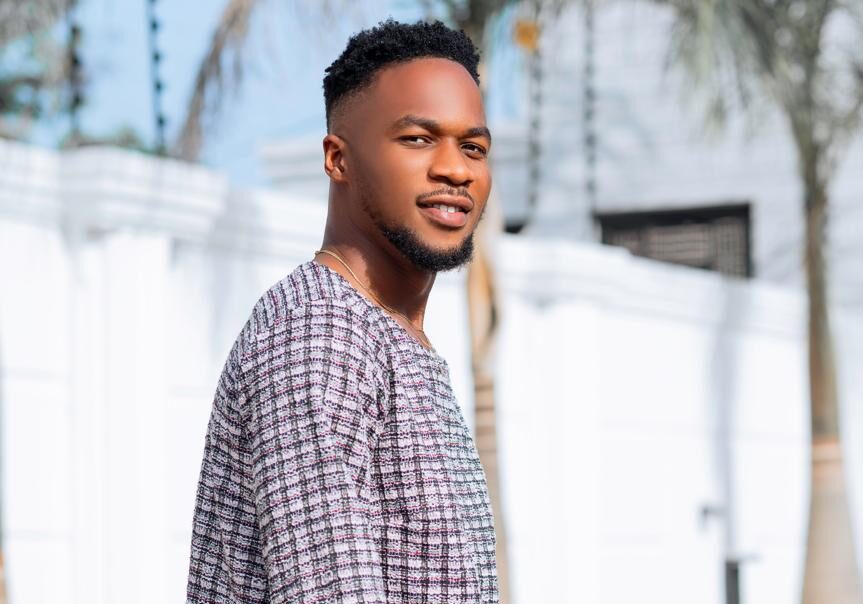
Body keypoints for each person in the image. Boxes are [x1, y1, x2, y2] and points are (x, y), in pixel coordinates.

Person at [186, 18, 497, 604]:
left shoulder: (381, 333)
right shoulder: (319, 332)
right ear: (338, 159)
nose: (456, 169)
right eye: (418, 139)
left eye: (473, 147)